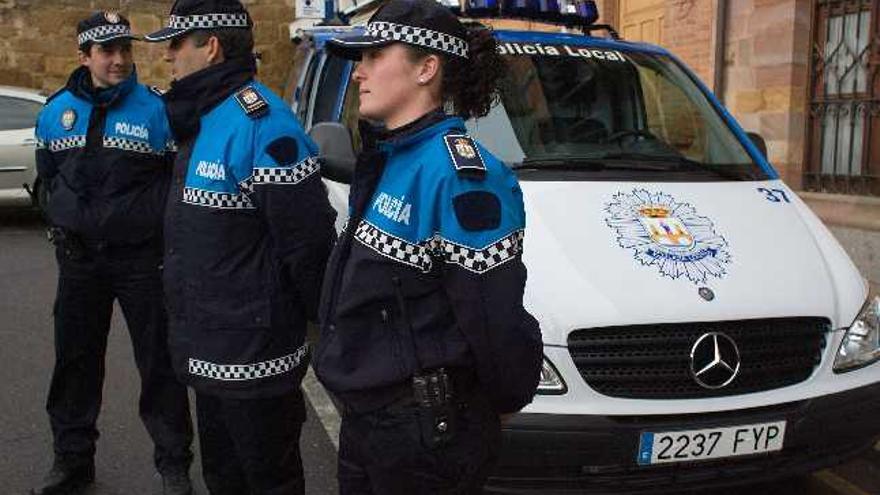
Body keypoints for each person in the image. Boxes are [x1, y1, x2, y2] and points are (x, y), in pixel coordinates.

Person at [314, 0, 544, 493]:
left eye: (376, 55)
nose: (360, 73)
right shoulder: (390, 156)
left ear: (426, 68)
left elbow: (492, 316)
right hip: (371, 421)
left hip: (423, 436)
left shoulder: (460, 176)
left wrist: (501, 402)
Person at [143, 0, 337, 493]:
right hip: (209, 351)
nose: (168, 56)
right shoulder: (202, 118)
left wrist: (325, 333)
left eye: (176, 44)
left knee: (269, 480)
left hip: (255, 360)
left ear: (209, 47)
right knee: (223, 479)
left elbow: (308, 245)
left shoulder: (262, 123)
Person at [31, 11, 194, 495]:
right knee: (74, 367)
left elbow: (176, 182)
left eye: (125, 49)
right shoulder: (53, 111)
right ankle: (71, 461)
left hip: (142, 262)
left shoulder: (158, 111)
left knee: (159, 365)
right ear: (84, 57)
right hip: (79, 263)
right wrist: (62, 220)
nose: (119, 59)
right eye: (108, 51)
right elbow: (49, 179)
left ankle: (173, 464)